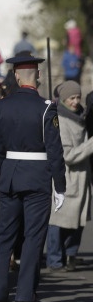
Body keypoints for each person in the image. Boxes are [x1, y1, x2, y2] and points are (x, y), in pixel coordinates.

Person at [0, 53, 66, 302]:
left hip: (9, 176)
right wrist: (60, 185)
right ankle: (25, 295)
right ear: (38, 75)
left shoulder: (1, 107)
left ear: (16, 76)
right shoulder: (46, 108)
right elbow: (55, 150)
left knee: (3, 235)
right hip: (37, 177)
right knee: (33, 236)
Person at [46, 80, 93, 273]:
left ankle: (70, 256)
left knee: (77, 222)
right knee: (58, 222)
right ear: (63, 99)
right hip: (67, 178)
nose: (75, 101)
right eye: (71, 98)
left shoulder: (79, 116)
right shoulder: (61, 120)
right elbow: (68, 155)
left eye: (78, 97)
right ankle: (55, 260)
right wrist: (91, 144)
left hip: (81, 178)